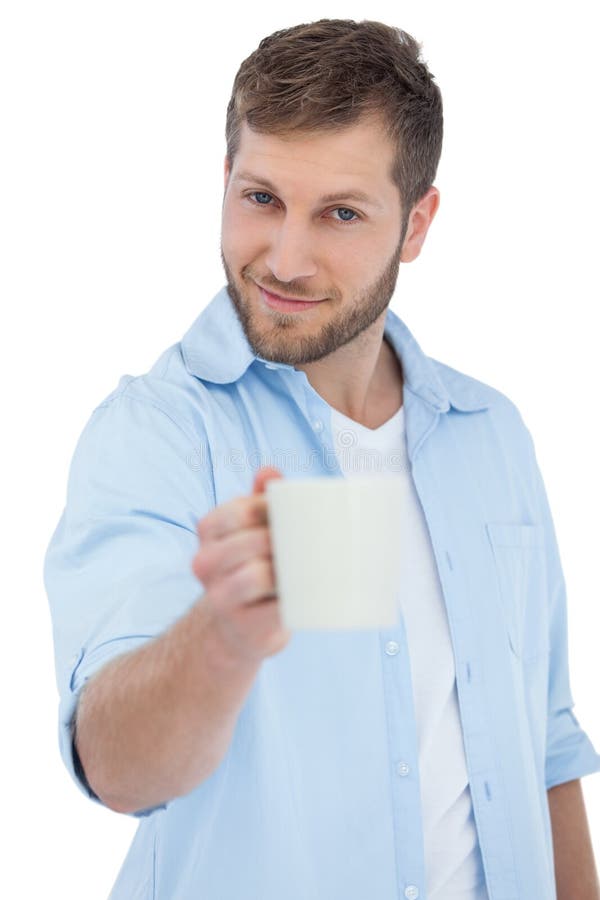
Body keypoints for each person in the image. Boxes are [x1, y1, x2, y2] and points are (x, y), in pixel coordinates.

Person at [43, 18, 600, 900]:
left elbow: (546, 744)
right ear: (223, 179)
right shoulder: (156, 434)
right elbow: (115, 768)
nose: (285, 258)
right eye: (261, 198)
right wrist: (222, 637)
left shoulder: (489, 432)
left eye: (340, 213)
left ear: (416, 225)